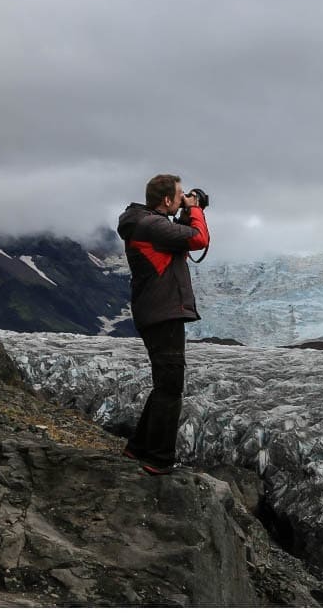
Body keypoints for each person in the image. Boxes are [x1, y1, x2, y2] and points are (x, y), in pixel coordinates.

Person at [116, 174, 210, 475]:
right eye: (180, 195)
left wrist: (187, 211)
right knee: (171, 387)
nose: (183, 198)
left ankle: (138, 447)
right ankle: (159, 459)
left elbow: (180, 236)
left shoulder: (149, 223)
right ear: (167, 199)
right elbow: (198, 238)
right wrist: (195, 210)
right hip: (162, 313)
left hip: (156, 312)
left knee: (163, 386)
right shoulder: (152, 225)